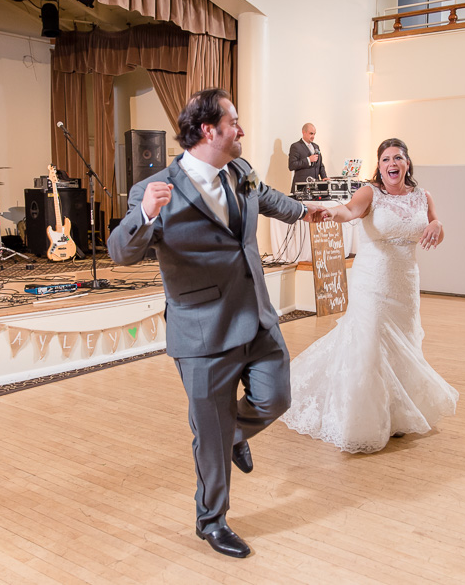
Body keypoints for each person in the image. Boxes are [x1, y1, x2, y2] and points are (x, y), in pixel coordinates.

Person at [107, 88, 325, 559]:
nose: (242, 129)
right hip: (202, 332)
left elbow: (268, 199)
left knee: (277, 396)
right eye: (235, 121)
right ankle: (212, 521)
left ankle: (233, 434)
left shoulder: (240, 171)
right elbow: (120, 252)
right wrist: (145, 216)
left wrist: (310, 210)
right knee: (208, 438)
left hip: (257, 315)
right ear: (210, 129)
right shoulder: (155, 190)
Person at [280, 138, 458, 453]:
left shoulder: (421, 195)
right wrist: (328, 213)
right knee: (369, 344)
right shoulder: (370, 192)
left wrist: (438, 224)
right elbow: (348, 210)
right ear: (380, 165)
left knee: (402, 345)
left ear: (406, 163)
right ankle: (359, 420)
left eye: (398, 158)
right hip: (372, 281)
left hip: (405, 283)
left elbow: (433, 223)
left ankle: (396, 415)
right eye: (387, 158)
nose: (393, 163)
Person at [288, 122, 327, 192]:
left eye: (314, 134)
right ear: (303, 132)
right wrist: (308, 160)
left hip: (316, 188)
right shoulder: (296, 146)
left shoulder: (316, 146)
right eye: (311, 133)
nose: (313, 136)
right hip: (301, 188)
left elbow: (320, 165)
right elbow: (292, 165)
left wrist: (324, 178)